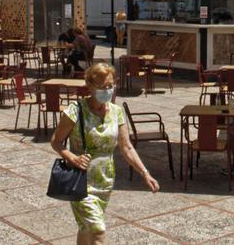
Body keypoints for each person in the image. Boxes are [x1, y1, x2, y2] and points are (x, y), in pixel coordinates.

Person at [51, 63, 158, 243]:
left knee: (86, 229)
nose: (107, 90)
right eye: (102, 87)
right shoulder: (75, 111)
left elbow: (126, 147)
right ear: (90, 86)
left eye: (110, 86)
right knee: (98, 230)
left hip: (105, 180)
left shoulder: (117, 112)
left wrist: (144, 173)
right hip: (81, 181)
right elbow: (56, 141)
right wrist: (72, 157)